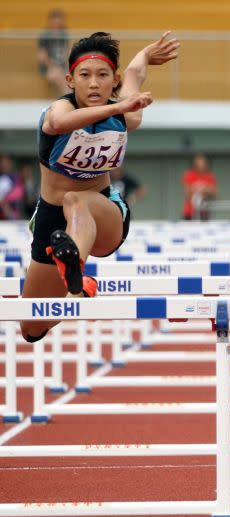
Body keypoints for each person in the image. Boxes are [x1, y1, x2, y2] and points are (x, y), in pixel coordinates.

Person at [20, 31, 179, 343]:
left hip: (104, 213)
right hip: (53, 222)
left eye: (103, 75)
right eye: (85, 75)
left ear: (113, 80)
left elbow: (135, 73)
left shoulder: (125, 114)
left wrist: (146, 53)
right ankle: (79, 284)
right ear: (70, 80)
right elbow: (60, 126)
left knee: (75, 199)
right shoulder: (59, 110)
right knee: (32, 328)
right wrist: (117, 108)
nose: (94, 84)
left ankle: (75, 268)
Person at [36, 9, 70, 97]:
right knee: (57, 74)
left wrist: (67, 67)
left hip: (62, 67)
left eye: (59, 22)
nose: (57, 24)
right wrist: (52, 66)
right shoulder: (44, 36)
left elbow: (67, 52)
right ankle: (68, 97)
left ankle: (67, 98)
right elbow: (42, 55)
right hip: (48, 68)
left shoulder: (65, 35)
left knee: (70, 76)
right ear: (50, 22)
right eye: (55, 22)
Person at [181, 152, 217, 220]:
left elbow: (214, 194)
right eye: (198, 162)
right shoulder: (189, 175)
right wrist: (205, 190)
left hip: (205, 212)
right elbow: (188, 193)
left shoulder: (210, 176)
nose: (201, 164)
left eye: (203, 162)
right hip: (189, 212)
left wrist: (199, 190)